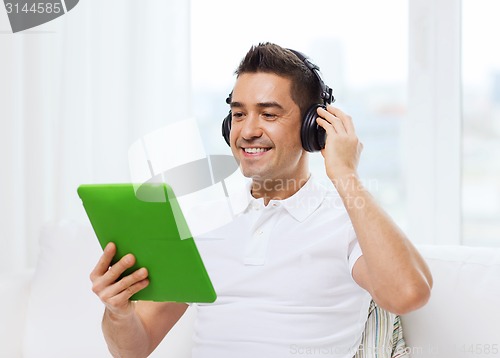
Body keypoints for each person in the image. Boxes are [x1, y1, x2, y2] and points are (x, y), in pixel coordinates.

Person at [90, 43, 433, 358]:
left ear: (313, 128)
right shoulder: (202, 221)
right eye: (239, 114)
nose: (248, 130)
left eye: (268, 114)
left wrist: (345, 174)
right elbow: (133, 349)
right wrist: (118, 312)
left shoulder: (346, 220)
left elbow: (408, 293)